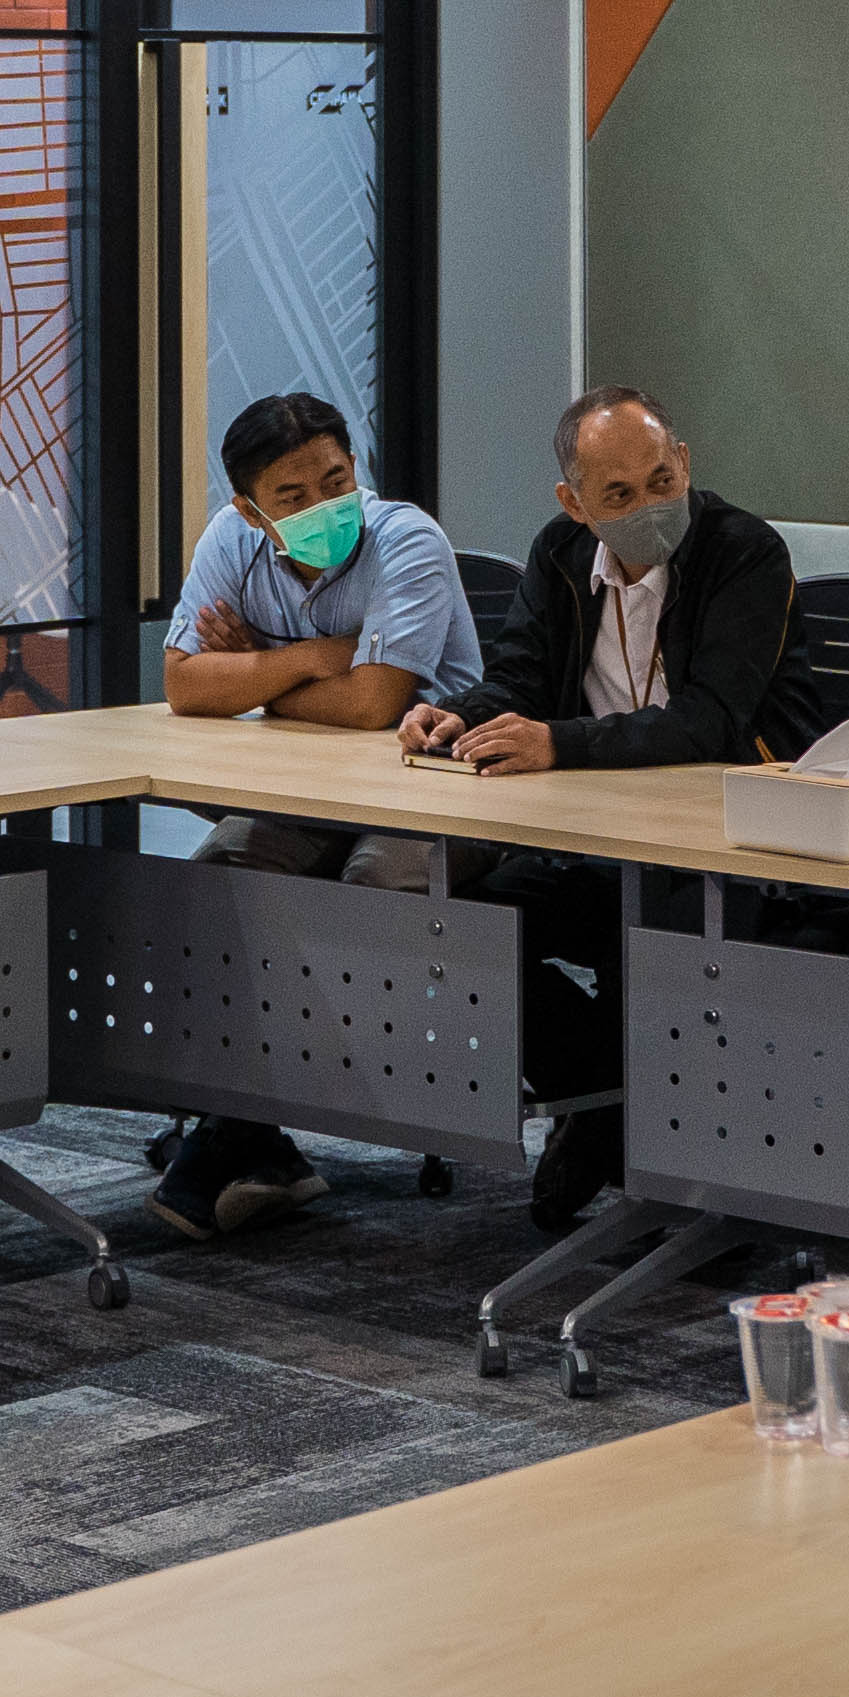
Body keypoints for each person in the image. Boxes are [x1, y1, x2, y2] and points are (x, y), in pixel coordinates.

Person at [398, 390, 849, 1225]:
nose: (649, 506)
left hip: (735, 847)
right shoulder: (559, 553)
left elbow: (713, 720)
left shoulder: (744, 551)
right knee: (467, 924)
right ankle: (607, 1104)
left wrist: (560, 743)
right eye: (618, 495)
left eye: (661, 480)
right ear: (574, 503)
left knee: (665, 950)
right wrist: (462, 716)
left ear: (684, 461)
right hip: (598, 838)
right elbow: (520, 676)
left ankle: (688, 1171)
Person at [144, 388, 485, 1239]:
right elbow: (183, 685)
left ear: (355, 468)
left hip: (436, 785)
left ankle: (248, 1126)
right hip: (312, 791)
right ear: (250, 510)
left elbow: (374, 704)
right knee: (223, 872)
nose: (323, 506)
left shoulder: (407, 539)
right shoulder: (230, 541)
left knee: (373, 883)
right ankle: (257, 1137)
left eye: (335, 482)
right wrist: (311, 659)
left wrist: (257, 675)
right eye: (293, 497)